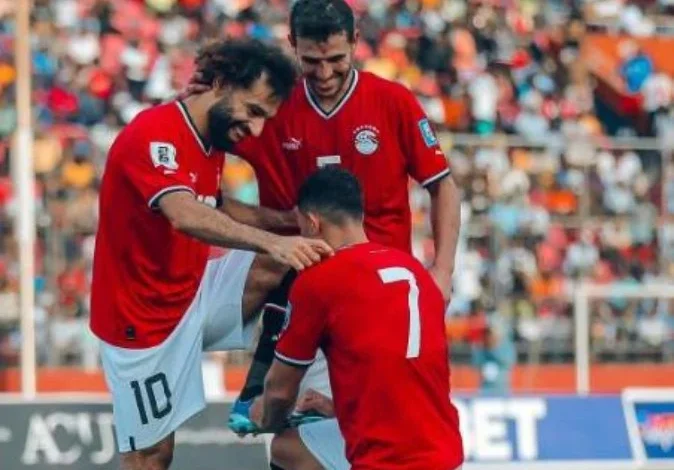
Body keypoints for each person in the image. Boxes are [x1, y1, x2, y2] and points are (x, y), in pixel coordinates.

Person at [190, 0, 462, 450]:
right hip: (301, 296)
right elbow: (195, 167)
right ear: (293, 45)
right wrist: (200, 101)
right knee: (289, 447)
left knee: (355, 436)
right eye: (311, 61)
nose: (324, 73)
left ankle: (253, 383)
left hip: (375, 305)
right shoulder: (273, 107)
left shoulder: (392, 101)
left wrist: (443, 271)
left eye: (336, 59)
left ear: (355, 41)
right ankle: (187, 351)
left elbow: (444, 187)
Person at [90, 39, 333, 470]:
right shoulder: (155, 133)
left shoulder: (211, 138)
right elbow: (184, 213)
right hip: (142, 324)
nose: (256, 129)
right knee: (152, 457)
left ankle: (262, 385)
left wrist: (284, 223)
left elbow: (214, 204)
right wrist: (272, 241)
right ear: (221, 83)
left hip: (194, 293)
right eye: (253, 111)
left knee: (293, 258)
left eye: (264, 118)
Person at [251, 167, 464, 470]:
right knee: (293, 448)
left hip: (385, 462)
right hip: (445, 455)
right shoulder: (414, 269)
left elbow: (280, 391)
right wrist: (340, 410)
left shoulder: (318, 281)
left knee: (284, 447)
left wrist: (264, 417)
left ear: (312, 223)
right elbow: (402, 370)